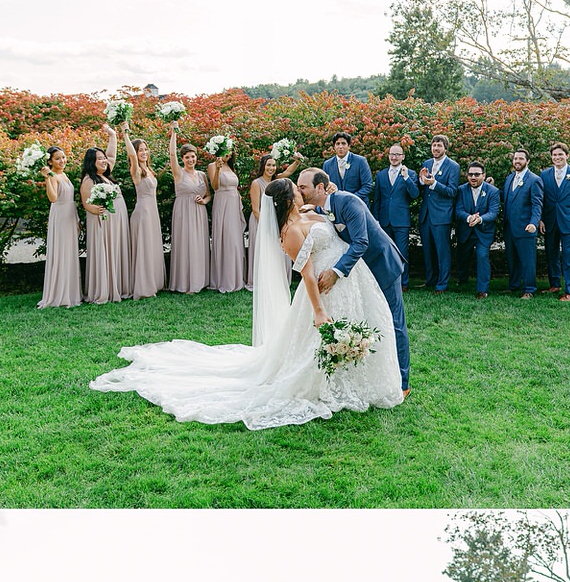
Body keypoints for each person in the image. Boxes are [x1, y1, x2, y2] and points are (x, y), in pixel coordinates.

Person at [90, 178, 403, 428]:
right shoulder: (290, 232)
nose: (300, 191)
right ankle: (333, 387)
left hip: (349, 283)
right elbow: (307, 276)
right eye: (297, 189)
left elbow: (328, 217)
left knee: (367, 324)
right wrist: (319, 310)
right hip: (323, 290)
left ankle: (358, 382)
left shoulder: (309, 212)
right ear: (288, 199)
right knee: (319, 346)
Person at [296, 167, 410, 395]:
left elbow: (361, 242)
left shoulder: (349, 202)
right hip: (362, 274)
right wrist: (312, 208)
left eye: (303, 187)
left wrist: (335, 272)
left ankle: (403, 383)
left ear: (319, 187)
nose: (299, 190)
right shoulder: (321, 206)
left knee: (394, 322)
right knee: (373, 318)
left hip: (382, 265)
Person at [80, 124, 131, 303]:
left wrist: (112, 135)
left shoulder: (106, 176)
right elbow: (86, 203)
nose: (103, 161)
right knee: (106, 251)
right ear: (91, 162)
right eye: (99, 159)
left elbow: (111, 155)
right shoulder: (89, 179)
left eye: (103, 158)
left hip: (117, 219)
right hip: (103, 221)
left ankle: (117, 285)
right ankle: (104, 289)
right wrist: (95, 209)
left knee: (116, 250)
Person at [539, 141, 570, 301]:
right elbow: (540, 199)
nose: (557, 157)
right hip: (550, 221)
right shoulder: (544, 175)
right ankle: (555, 285)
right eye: (554, 155)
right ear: (551, 157)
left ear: (567, 156)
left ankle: (569, 291)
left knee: (568, 256)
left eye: (560, 154)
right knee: (551, 254)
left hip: (569, 222)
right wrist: (540, 219)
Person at [246, 152, 301, 294]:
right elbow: (255, 208)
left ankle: (278, 279)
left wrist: (297, 160)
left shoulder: (277, 181)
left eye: (274, 165)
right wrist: (266, 225)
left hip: (277, 222)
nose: (271, 168)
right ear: (263, 166)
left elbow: (289, 171)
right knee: (263, 251)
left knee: (278, 251)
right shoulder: (256, 183)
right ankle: (261, 281)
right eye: (268, 165)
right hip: (260, 222)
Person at [122, 127, 165, 299]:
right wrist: (125, 133)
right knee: (144, 247)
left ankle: (154, 281)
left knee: (152, 246)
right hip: (143, 212)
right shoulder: (137, 171)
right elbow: (132, 157)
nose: (144, 152)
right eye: (141, 150)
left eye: (146, 149)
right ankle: (144, 286)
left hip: (152, 211)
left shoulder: (149, 170)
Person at [167, 125, 210, 293]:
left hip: (199, 212)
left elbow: (208, 195)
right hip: (183, 213)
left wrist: (204, 201)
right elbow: (171, 155)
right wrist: (174, 133)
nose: (190, 160)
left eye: (193, 157)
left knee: (198, 244)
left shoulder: (202, 175)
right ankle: (185, 283)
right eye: (187, 157)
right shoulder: (178, 173)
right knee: (186, 244)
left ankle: (199, 281)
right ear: (182, 159)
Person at [37, 145, 81, 309]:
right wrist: (47, 178)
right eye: (57, 158)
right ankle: (59, 294)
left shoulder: (64, 174)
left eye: (63, 157)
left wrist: (76, 219)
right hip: (61, 217)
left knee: (69, 252)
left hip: (69, 215)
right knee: (62, 252)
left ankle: (70, 292)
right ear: (49, 161)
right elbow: (53, 198)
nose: (62, 160)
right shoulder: (53, 176)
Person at [372, 145, 418, 290]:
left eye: (397, 154)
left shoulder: (410, 174)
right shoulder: (381, 175)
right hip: (384, 220)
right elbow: (377, 199)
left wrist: (406, 178)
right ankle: (386, 281)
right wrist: (376, 219)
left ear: (403, 157)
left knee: (402, 253)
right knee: (384, 252)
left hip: (401, 220)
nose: (394, 157)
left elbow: (415, 194)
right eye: (392, 154)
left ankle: (403, 283)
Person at [417, 135, 460, 292]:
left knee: (442, 251)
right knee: (428, 250)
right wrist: (422, 180)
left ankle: (442, 284)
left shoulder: (453, 166)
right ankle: (430, 280)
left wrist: (434, 183)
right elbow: (421, 186)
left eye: (439, 146)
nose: (435, 148)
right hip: (426, 214)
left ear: (445, 148)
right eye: (434, 145)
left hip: (441, 215)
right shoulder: (427, 163)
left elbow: (452, 191)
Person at [454, 161, 501, 298]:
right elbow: (458, 210)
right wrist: (469, 218)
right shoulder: (461, 190)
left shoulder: (493, 191)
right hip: (466, 230)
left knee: (482, 256)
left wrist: (479, 219)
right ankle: (462, 280)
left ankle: (482, 289)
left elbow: (493, 213)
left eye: (476, 174)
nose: (473, 177)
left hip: (483, 231)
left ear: (484, 175)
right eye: (470, 174)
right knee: (463, 256)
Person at [501, 148, 543, 299]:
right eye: (515, 158)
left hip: (526, 228)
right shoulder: (509, 178)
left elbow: (537, 204)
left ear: (527, 161)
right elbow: (506, 198)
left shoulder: (534, 180)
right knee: (512, 259)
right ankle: (513, 286)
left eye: (520, 158)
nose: (517, 161)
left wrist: (534, 223)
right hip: (509, 228)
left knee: (527, 260)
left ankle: (529, 289)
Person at [208, 145, 246, 293]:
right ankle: (224, 278)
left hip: (233, 204)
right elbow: (215, 186)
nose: (228, 154)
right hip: (222, 203)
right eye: (226, 151)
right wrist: (217, 169)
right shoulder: (212, 166)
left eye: (230, 152)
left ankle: (237, 277)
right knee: (226, 238)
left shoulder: (231, 167)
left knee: (235, 239)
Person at [323, 132, 373, 204]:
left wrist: (350, 199)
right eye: (337, 144)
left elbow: (367, 185)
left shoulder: (360, 161)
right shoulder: (327, 165)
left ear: (349, 146)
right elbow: (325, 187)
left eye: (343, 143)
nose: (340, 147)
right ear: (334, 146)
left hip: (358, 205)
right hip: (337, 206)